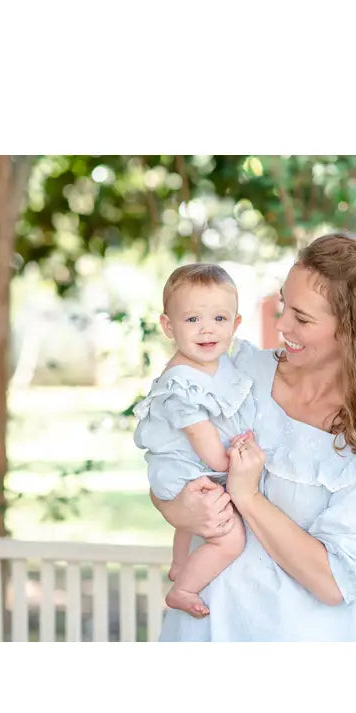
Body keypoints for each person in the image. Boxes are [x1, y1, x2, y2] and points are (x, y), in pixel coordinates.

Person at [151, 232, 356, 641]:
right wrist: (176, 508)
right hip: (199, 633)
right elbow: (169, 460)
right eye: (284, 303)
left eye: (302, 318)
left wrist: (248, 498)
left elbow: (334, 582)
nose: (281, 323)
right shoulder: (239, 374)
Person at [134, 263, 255, 617]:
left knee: (192, 518)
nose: (207, 329)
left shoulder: (219, 365)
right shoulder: (181, 386)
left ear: (235, 324)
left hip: (189, 468)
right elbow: (214, 457)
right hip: (186, 469)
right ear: (168, 326)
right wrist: (237, 456)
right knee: (230, 539)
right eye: (192, 320)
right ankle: (183, 588)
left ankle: (178, 563)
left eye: (219, 319)